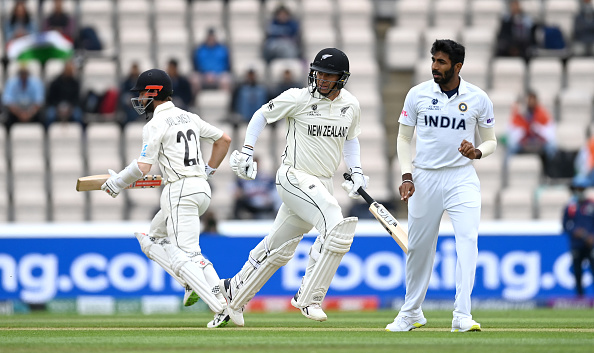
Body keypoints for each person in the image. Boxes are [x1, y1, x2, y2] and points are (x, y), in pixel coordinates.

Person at [219, 48, 367, 327]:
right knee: (335, 223)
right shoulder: (298, 97)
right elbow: (262, 114)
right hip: (293, 176)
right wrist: (248, 150)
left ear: (341, 79)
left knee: (279, 246)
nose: (321, 79)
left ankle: (234, 290)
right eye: (318, 73)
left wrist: (356, 170)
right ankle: (309, 297)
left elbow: (351, 139)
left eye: (329, 75)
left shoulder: (351, 105)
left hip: (321, 183)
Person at [99, 68, 232, 328]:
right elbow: (224, 140)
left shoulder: (155, 124)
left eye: (142, 93)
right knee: (153, 239)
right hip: (201, 188)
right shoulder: (189, 116)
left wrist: (117, 183)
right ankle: (189, 282)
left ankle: (221, 307)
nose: (139, 98)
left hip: (179, 191)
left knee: (188, 255)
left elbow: (143, 167)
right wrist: (207, 171)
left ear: (155, 92)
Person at [386, 39, 497, 333]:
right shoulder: (417, 94)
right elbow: (403, 139)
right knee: (419, 248)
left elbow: (491, 140)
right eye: (433, 60)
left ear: (457, 66)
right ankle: (411, 313)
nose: (434, 66)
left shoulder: (478, 98)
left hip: (462, 177)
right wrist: (407, 175)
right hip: (424, 177)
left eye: (441, 62)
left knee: (468, 243)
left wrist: (477, 152)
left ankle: (462, 315)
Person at [562, 179, 594, 297]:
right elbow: (565, 226)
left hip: (590, 244)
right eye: (577, 189)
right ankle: (580, 298)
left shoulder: (591, 205)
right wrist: (576, 231)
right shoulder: (570, 207)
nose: (579, 192)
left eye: (581, 189)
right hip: (576, 244)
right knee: (577, 272)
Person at [506, 90, 557, 158]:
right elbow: (511, 134)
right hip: (523, 144)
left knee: (552, 146)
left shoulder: (542, 113)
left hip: (539, 143)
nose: (531, 102)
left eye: (533, 99)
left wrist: (537, 128)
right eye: (529, 100)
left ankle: (552, 167)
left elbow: (550, 134)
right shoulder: (519, 114)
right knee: (511, 147)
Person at [1, 63, 45, 131]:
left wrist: (29, 114)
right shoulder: (11, 82)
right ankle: (8, 139)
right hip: (16, 112)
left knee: (43, 118)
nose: (23, 75)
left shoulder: (36, 82)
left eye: (25, 73)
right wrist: (19, 113)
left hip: (32, 111)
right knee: (6, 118)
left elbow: (39, 101)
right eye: (22, 73)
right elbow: (7, 101)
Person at [45, 60, 83, 126]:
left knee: (78, 115)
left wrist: (70, 108)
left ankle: (81, 133)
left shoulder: (75, 83)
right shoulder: (55, 82)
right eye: (68, 70)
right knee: (50, 115)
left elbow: (77, 99)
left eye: (71, 70)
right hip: (56, 106)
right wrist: (58, 107)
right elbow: (51, 98)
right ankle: (47, 133)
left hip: (71, 107)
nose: (70, 72)